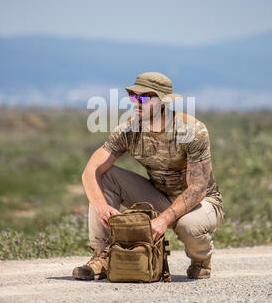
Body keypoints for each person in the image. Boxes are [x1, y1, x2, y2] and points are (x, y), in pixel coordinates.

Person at [72, 72, 225, 281]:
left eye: (144, 98)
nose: (137, 102)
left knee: (187, 226)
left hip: (202, 201)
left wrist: (164, 219)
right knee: (107, 175)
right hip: (159, 196)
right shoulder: (128, 130)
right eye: (133, 97)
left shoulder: (192, 131)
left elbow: (198, 188)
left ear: (162, 102)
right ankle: (101, 257)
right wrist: (100, 205)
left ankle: (201, 260)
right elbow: (91, 170)